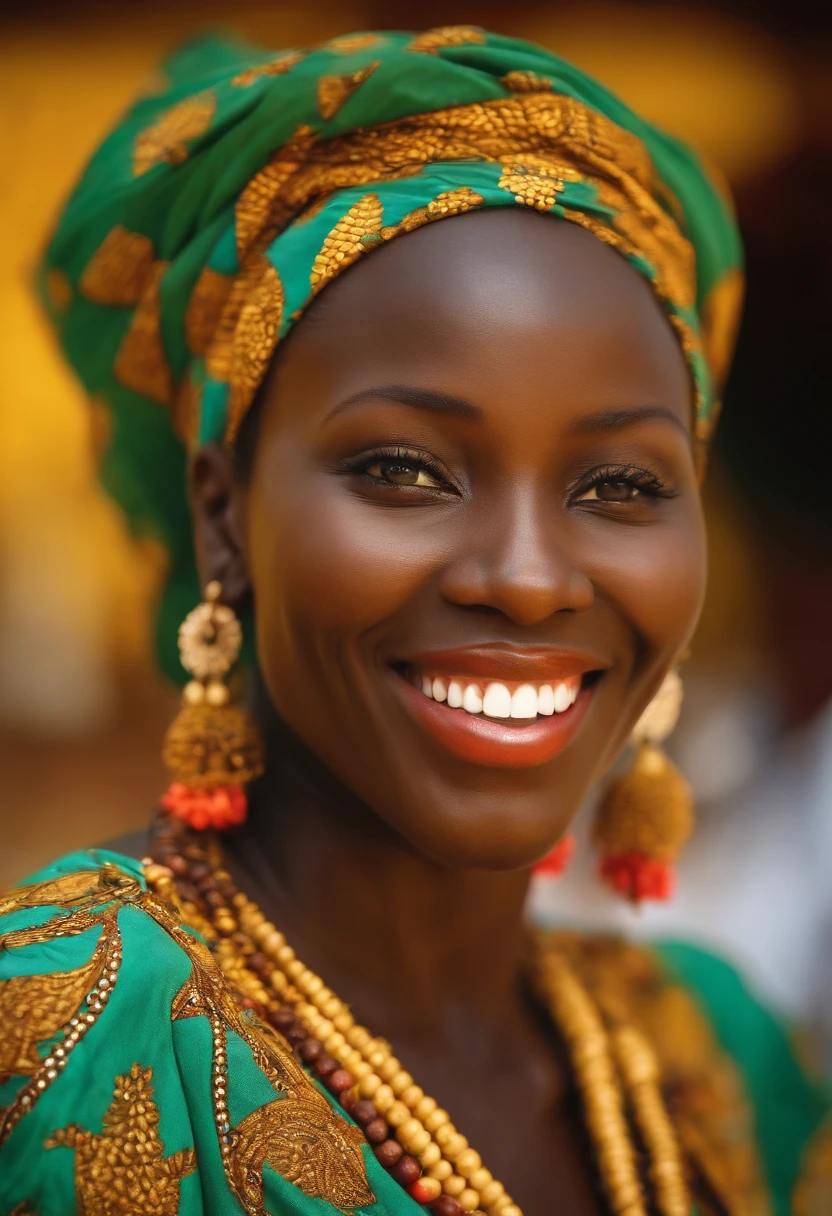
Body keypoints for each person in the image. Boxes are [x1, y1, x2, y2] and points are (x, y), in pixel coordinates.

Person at [0, 25, 826, 1216]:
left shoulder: (723, 1062)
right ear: (222, 516)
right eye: (404, 468)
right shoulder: (59, 1044)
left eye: (621, 486)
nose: (530, 578)